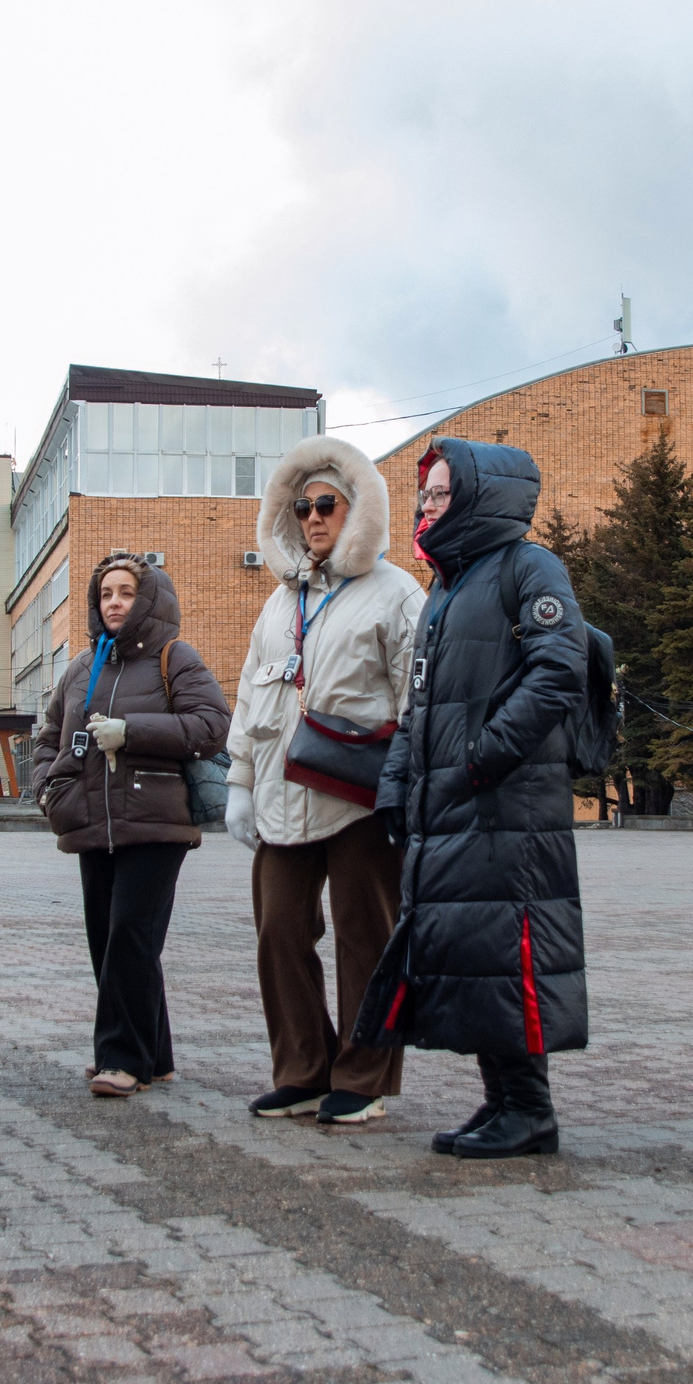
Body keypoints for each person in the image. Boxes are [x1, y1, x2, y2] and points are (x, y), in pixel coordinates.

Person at [356, 441, 588, 1159]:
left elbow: (558, 671)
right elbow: (420, 702)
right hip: (451, 807)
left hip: (507, 808)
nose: (426, 504)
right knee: (473, 952)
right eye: (423, 494)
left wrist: (483, 757)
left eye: (440, 492)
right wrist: (398, 781)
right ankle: (504, 1101)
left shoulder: (529, 566)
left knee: (507, 951)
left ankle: (530, 1109)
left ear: (482, 493)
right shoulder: (447, 587)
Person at [226, 438, 423, 1126]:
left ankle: (363, 1073)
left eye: (327, 504)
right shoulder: (279, 604)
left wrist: (409, 785)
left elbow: (415, 699)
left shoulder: (397, 593)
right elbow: (252, 697)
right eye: (302, 505)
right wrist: (240, 782)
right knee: (279, 928)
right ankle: (303, 1068)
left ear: (357, 507)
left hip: (360, 793)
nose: (313, 517)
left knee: (364, 933)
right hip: (283, 789)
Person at [31, 554, 229, 1099]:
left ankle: (120, 1059)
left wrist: (131, 731)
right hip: (92, 821)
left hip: (155, 822)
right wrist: (51, 786)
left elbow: (212, 725)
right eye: (105, 595)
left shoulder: (176, 657)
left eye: (124, 593)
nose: (113, 603)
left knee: (130, 939)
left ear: (147, 600)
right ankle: (155, 1055)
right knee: (109, 941)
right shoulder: (81, 666)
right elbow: (49, 733)